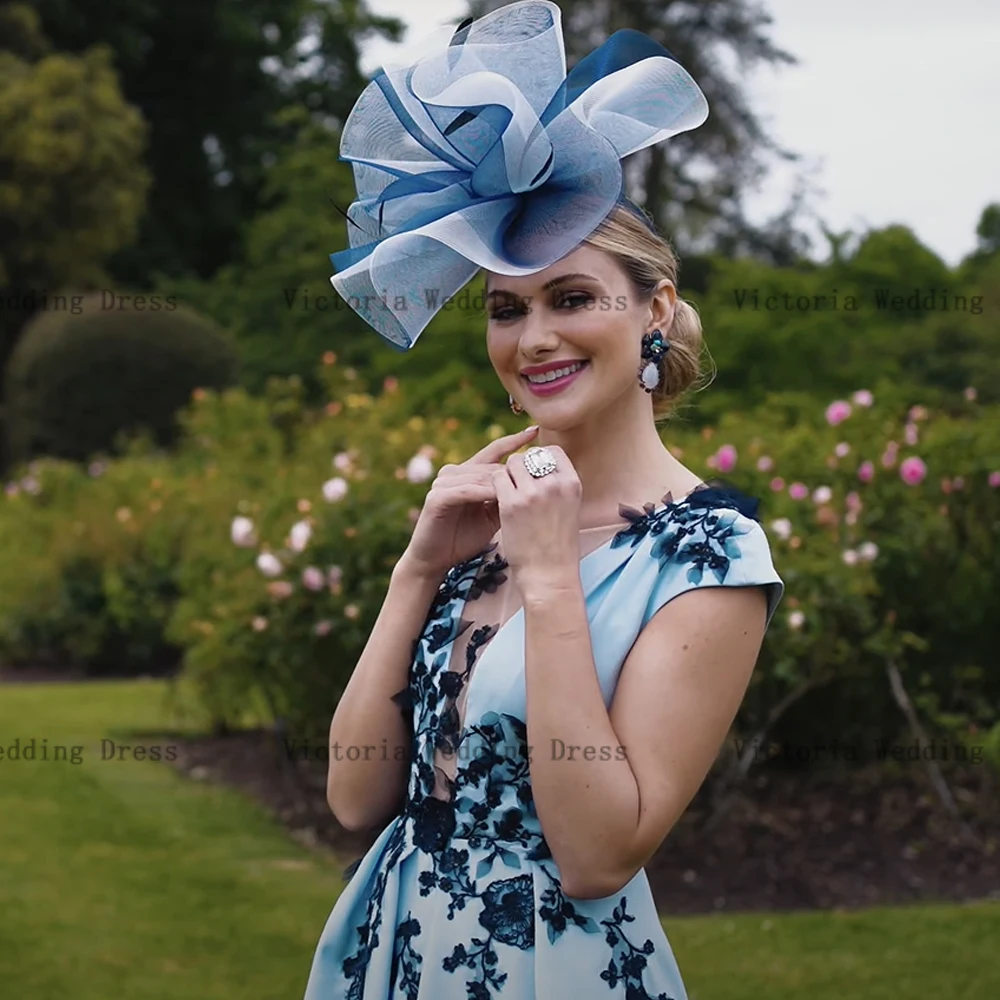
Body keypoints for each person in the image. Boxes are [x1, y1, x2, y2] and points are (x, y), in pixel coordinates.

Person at [304, 3, 784, 998]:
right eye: (504, 308)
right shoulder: (486, 521)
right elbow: (355, 797)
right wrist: (417, 570)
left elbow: (597, 855)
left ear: (650, 310)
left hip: (547, 967)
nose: (533, 340)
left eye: (570, 298)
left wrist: (551, 575)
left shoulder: (711, 554)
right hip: (395, 948)